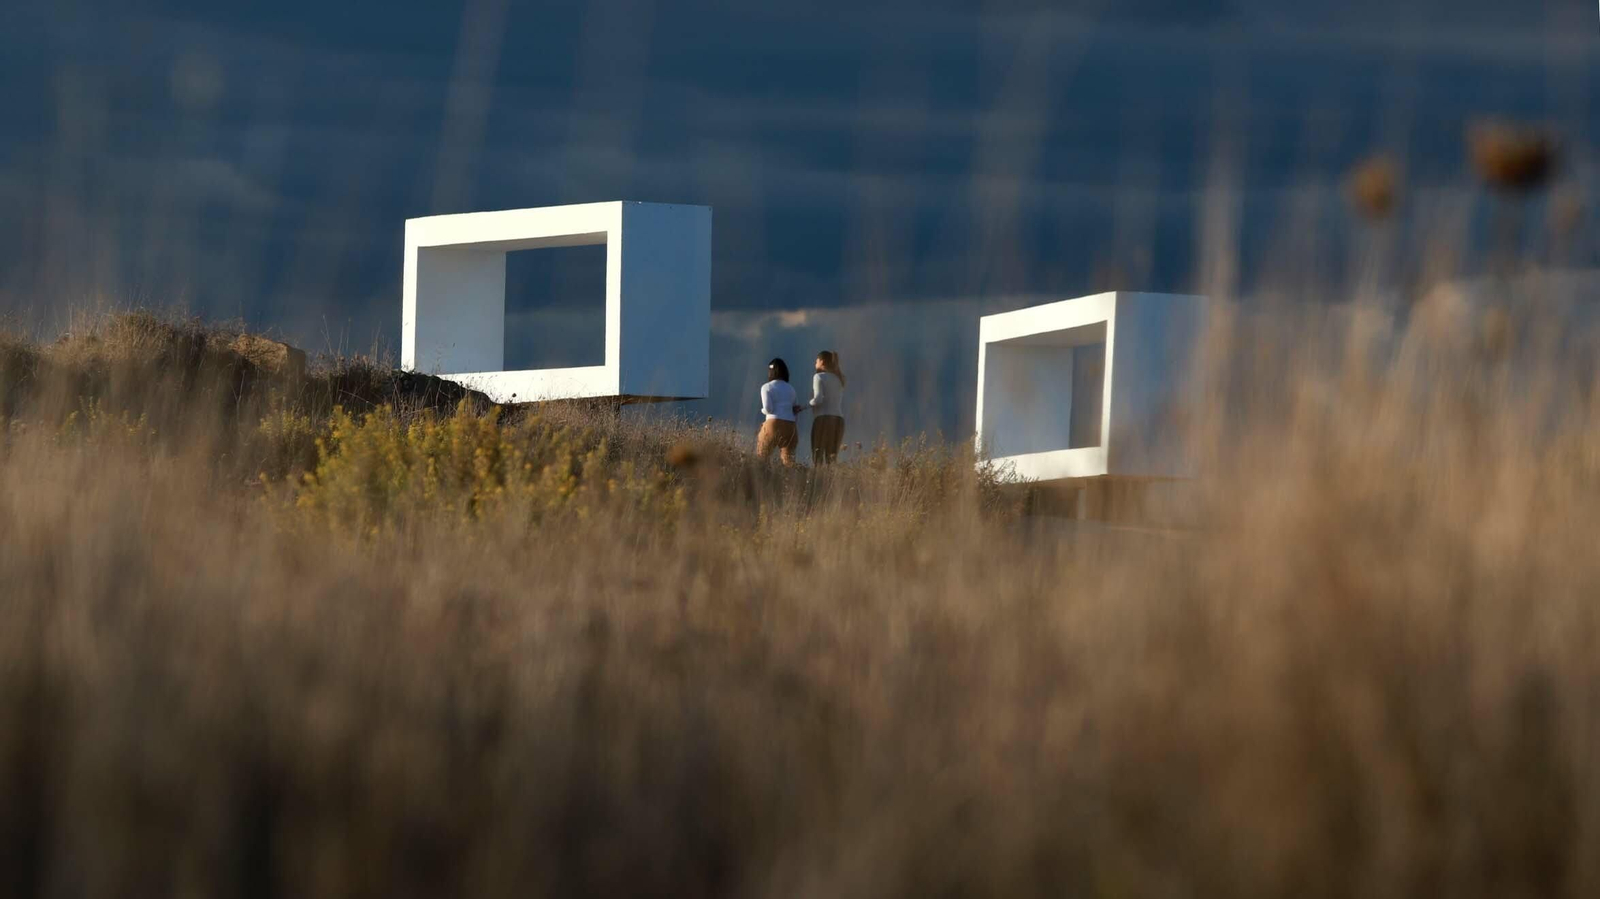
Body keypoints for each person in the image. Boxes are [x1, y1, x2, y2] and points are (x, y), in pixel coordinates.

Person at [756, 358, 803, 465]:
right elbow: (795, 410)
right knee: (789, 462)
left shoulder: (766, 387)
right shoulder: (791, 388)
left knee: (762, 459)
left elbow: (768, 409)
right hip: (790, 426)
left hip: (773, 423)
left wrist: (762, 410)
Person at [809, 350, 846, 464]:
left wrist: (804, 406)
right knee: (831, 459)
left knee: (818, 458)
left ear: (822, 362)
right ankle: (832, 482)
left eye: (816, 361)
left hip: (823, 419)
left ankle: (819, 481)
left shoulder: (819, 377)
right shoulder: (839, 379)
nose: (815, 364)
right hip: (838, 420)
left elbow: (818, 399)